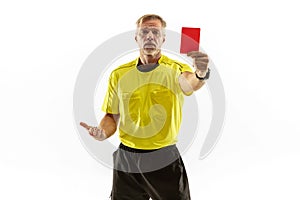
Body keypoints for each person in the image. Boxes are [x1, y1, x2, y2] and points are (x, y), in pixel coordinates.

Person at [80, 14, 210, 200]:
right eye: (144, 32)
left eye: (155, 32)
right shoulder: (119, 74)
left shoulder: (175, 69)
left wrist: (201, 73)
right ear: (136, 38)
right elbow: (111, 116)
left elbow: (190, 83)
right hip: (127, 159)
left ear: (163, 39)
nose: (150, 36)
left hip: (163, 158)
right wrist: (102, 132)